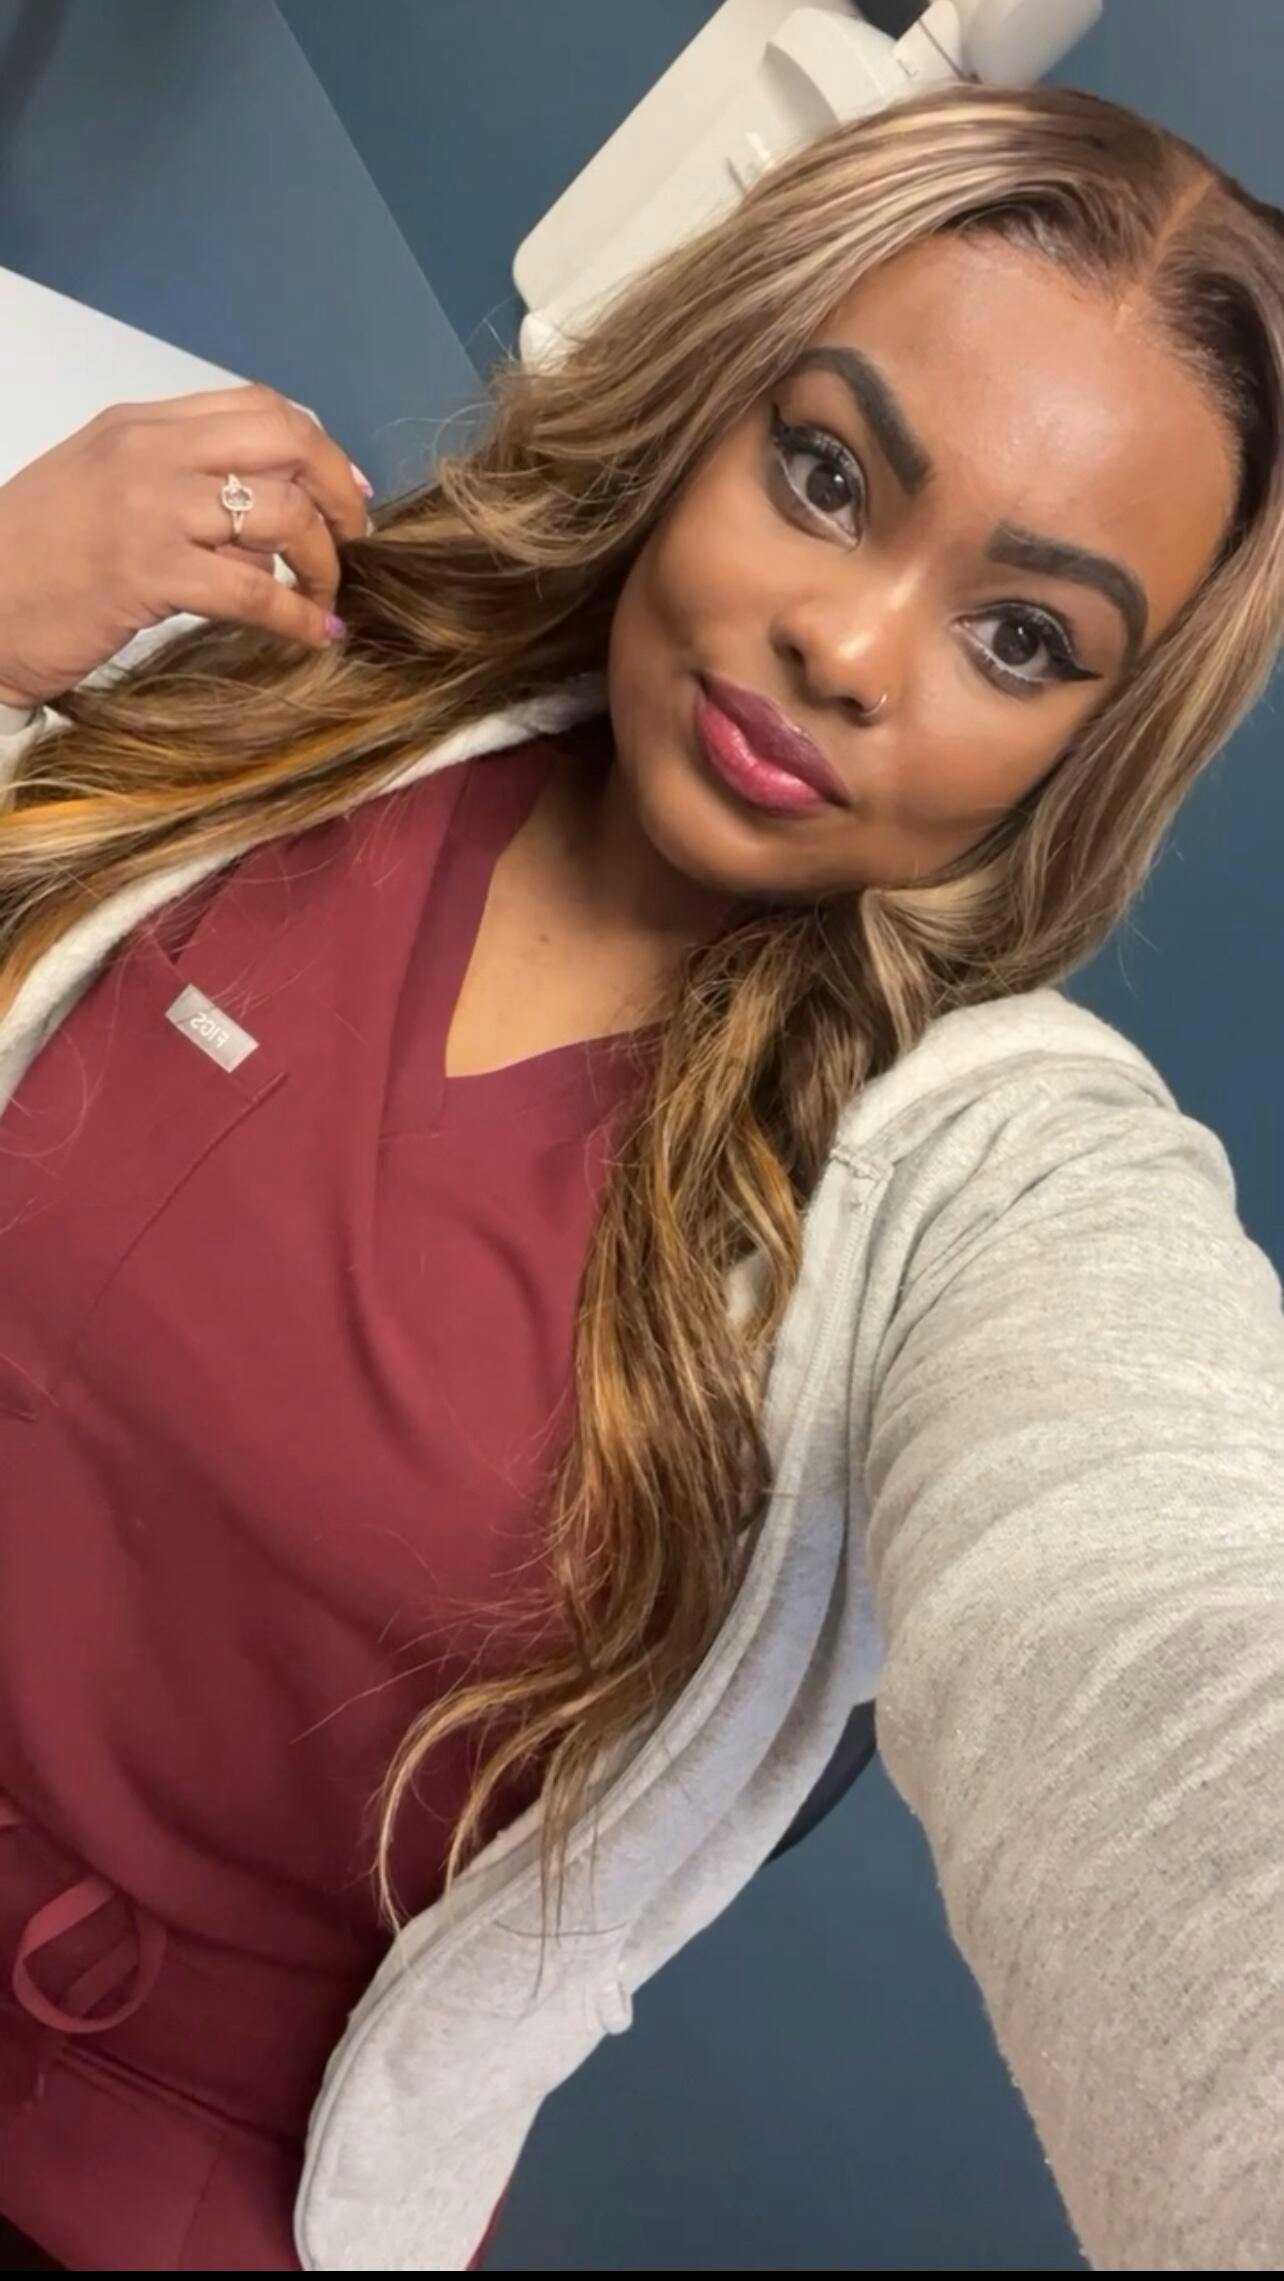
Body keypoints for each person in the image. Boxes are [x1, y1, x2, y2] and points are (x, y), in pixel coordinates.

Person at [0, 75, 1280, 2275]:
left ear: (1093, 745)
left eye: (1021, 638)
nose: (847, 649)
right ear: (707, 404)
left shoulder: (978, 1187)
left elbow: (1177, 1636)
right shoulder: (274, 693)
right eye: (828, 474)